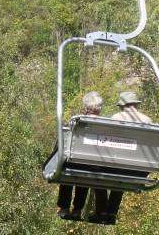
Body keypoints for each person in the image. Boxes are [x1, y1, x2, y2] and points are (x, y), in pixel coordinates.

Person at [88, 91, 154, 225]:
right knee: (121, 178)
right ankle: (111, 213)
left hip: (117, 166)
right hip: (139, 170)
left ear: (122, 105)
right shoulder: (148, 120)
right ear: (136, 104)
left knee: (99, 172)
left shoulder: (116, 117)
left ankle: (101, 211)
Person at [55, 91, 103, 220]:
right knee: (86, 171)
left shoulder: (75, 122)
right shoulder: (106, 125)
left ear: (85, 108)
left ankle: (64, 207)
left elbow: (63, 140)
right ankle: (77, 209)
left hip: (74, 163)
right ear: (99, 109)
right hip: (94, 164)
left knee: (68, 167)